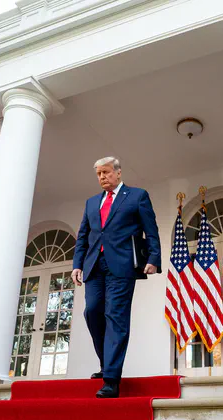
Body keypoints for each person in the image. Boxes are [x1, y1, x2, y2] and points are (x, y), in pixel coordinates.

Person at [71, 157, 161, 398]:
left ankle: (111, 378)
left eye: (106, 172)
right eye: (99, 174)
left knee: (116, 317)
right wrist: (77, 264)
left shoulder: (137, 196)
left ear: (118, 173)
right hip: (93, 267)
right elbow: (83, 236)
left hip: (122, 266)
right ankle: (106, 362)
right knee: (92, 312)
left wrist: (153, 258)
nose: (102, 177)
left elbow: (150, 229)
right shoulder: (91, 203)